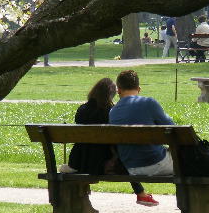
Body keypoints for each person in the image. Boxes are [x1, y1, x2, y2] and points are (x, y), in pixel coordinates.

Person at [109, 70, 209, 213]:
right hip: (155, 164)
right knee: (201, 160)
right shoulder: (148, 103)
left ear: (118, 90)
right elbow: (174, 129)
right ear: (139, 89)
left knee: (189, 159)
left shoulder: (113, 112)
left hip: (131, 168)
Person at [61, 78, 157, 206]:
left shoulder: (82, 110)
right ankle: (140, 193)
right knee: (124, 154)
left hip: (78, 162)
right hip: (101, 163)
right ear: (111, 94)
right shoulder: (112, 112)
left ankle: (141, 193)